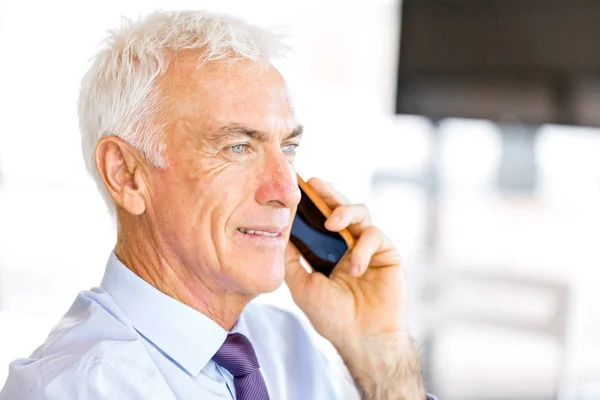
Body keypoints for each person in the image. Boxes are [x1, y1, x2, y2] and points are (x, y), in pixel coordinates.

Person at [0, 10, 435, 400]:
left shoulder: (283, 344)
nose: (288, 191)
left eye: (288, 148)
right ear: (127, 175)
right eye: (237, 147)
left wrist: (383, 359)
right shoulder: (82, 387)